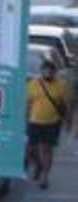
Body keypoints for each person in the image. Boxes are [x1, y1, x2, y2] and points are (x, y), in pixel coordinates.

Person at [26, 60, 71, 189]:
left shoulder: (61, 85)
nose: (48, 72)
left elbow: (67, 105)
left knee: (47, 150)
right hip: (34, 122)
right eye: (45, 70)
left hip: (52, 123)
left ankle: (44, 177)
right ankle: (39, 165)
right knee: (29, 150)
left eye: (51, 70)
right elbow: (27, 102)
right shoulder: (33, 84)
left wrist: (69, 121)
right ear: (41, 71)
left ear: (54, 72)